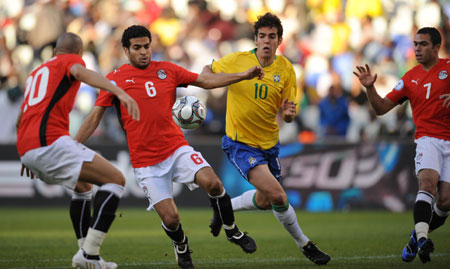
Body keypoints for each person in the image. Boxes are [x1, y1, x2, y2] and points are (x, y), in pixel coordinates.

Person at [74, 25, 263, 269]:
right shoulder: (115, 79)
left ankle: (232, 230)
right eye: (137, 48)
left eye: (147, 46)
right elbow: (94, 117)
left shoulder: (167, 70)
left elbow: (204, 80)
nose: (144, 52)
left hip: (176, 148)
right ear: (126, 50)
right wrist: (72, 147)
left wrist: (243, 75)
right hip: (146, 163)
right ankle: (181, 245)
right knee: (171, 219)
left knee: (214, 184)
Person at [202, 12, 331, 265]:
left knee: (263, 200)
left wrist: (290, 113)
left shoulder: (286, 69)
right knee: (279, 197)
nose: (267, 41)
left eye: (272, 37)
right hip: (240, 143)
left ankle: (223, 206)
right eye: (262, 36)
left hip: (269, 144)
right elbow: (207, 72)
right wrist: (228, 78)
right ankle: (305, 244)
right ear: (256, 38)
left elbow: (289, 112)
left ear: (279, 40)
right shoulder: (238, 60)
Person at [16, 32, 140, 269]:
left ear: (54, 51)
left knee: (83, 187)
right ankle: (90, 253)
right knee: (116, 180)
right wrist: (118, 91)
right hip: (50, 141)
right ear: (79, 53)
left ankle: (86, 254)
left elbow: (22, 117)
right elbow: (79, 73)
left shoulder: (35, 74)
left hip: (28, 147)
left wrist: (27, 152)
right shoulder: (70, 62)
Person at [354, 27, 450, 264]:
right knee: (427, 183)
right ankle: (422, 240)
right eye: (415, 44)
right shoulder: (409, 78)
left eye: (423, 44)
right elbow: (381, 109)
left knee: (446, 201)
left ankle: (415, 236)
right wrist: (369, 87)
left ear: (436, 47)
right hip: (428, 139)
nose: (417, 48)